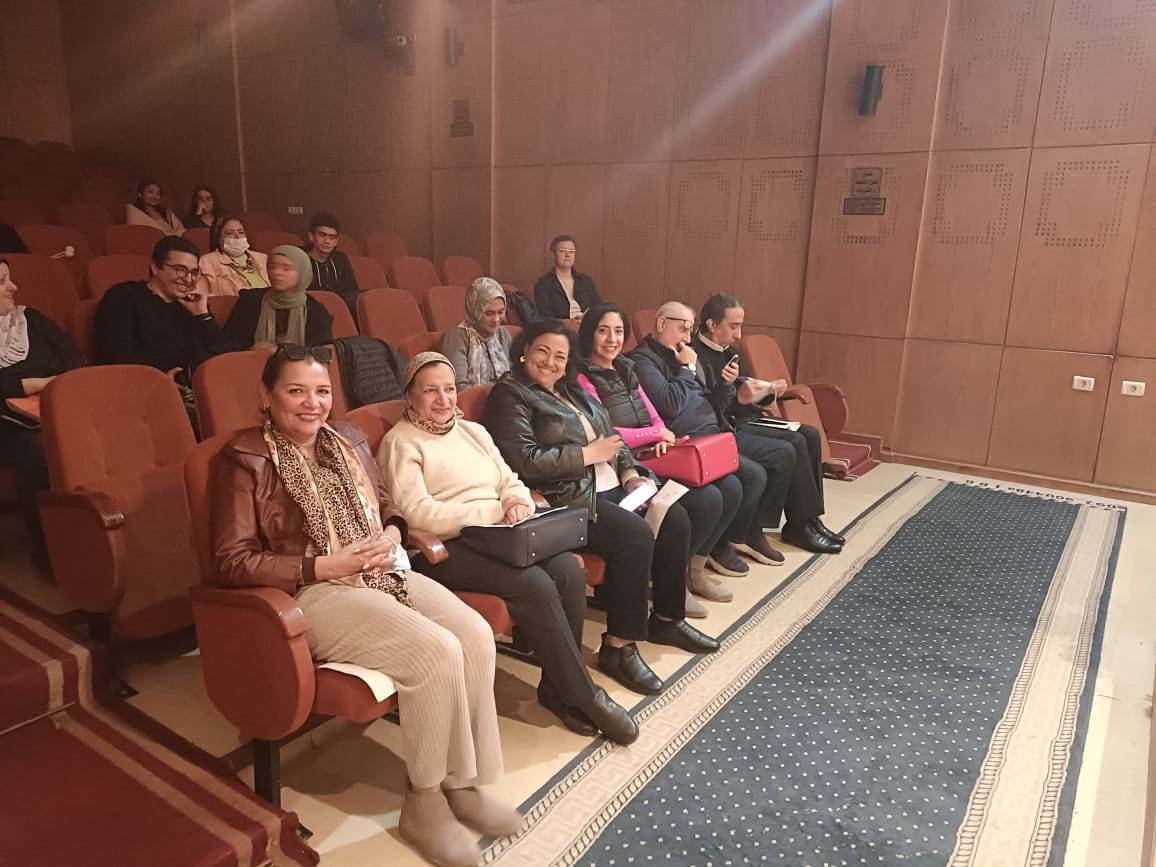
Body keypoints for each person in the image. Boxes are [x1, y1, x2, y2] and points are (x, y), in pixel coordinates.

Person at [211, 345, 521, 867]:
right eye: (296, 391)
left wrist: (392, 533)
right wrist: (320, 566)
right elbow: (232, 560)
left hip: (378, 569)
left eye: (321, 391)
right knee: (436, 651)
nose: (312, 404)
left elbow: (388, 506)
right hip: (309, 591)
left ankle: (461, 781)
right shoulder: (245, 458)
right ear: (266, 396)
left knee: (473, 634)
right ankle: (423, 801)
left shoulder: (348, 438)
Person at [380, 351, 638, 744]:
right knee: (534, 584)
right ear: (410, 396)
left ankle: (556, 687)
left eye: (449, 389)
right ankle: (585, 695)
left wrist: (516, 500)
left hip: (500, 533)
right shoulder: (401, 442)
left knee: (567, 569)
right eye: (430, 391)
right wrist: (492, 511)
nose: (443, 400)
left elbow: (509, 479)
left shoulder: (472, 432)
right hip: (446, 548)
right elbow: (418, 514)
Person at [483, 319, 719, 698]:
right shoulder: (509, 395)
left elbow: (611, 437)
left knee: (674, 517)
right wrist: (586, 455)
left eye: (560, 356)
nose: (550, 362)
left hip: (610, 486)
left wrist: (631, 475)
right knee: (633, 535)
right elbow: (522, 460)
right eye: (542, 351)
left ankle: (666, 619)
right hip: (565, 498)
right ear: (524, 350)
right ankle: (618, 647)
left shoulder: (571, 389)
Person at [577, 304, 747, 613]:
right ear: (589, 334)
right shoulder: (582, 378)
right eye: (603, 331)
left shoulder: (625, 367)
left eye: (618, 331)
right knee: (706, 500)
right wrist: (654, 434)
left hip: (650, 453)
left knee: (732, 487)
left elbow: (654, 414)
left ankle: (692, 570)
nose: (612, 339)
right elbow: (605, 431)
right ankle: (671, 580)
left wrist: (661, 434)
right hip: (623, 463)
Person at [630, 302, 803, 568]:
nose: (687, 337)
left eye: (690, 330)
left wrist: (725, 385)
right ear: (662, 323)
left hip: (713, 433)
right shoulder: (643, 360)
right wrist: (687, 369)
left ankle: (709, 552)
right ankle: (713, 549)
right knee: (749, 477)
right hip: (684, 442)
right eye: (682, 329)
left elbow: (713, 401)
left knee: (759, 471)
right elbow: (670, 404)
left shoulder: (684, 354)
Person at [693, 293, 843, 553]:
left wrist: (769, 391)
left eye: (740, 326)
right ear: (712, 324)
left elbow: (746, 391)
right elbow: (706, 408)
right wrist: (738, 397)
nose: (739, 334)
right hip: (727, 426)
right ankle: (787, 526)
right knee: (793, 444)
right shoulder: (696, 357)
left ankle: (808, 519)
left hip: (745, 418)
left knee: (810, 434)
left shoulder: (730, 351)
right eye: (734, 326)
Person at [0, 258, 84, 574]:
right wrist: (34, 382)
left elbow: (73, 359)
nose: (14, 287)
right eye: (2, 281)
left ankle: (105, 539)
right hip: (9, 425)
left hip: (52, 406)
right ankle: (51, 554)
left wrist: (41, 384)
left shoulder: (31, 319)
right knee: (40, 449)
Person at [95, 235, 227, 381]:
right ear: (155, 267)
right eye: (180, 269)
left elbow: (222, 356)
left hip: (196, 386)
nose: (188, 279)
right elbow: (117, 358)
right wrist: (159, 382)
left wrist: (202, 315)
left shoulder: (192, 304)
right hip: (143, 387)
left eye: (194, 273)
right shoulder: (124, 297)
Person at [223, 245, 333, 351]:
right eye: (272, 267)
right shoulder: (250, 301)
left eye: (286, 269)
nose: (277, 273)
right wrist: (252, 349)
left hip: (299, 364)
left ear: (302, 272)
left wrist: (281, 351)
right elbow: (228, 345)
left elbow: (321, 354)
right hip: (252, 362)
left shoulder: (315, 310)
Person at [439, 277, 512, 391]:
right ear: (475, 311)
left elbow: (514, 375)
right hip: (472, 399)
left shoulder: (503, 334)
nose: (496, 319)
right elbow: (459, 387)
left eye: (501, 312)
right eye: (489, 313)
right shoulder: (456, 337)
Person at [302, 212, 360, 317]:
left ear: (336, 242)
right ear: (311, 236)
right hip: (310, 312)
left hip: (341, 310)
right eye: (322, 235)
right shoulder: (300, 258)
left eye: (332, 237)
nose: (327, 241)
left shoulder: (341, 259)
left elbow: (352, 291)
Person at [533, 235, 602, 321]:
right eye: (562, 251)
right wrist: (569, 322)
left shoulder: (585, 280)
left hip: (587, 323)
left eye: (571, 251)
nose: (567, 255)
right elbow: (545, 317)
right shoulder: (543, 284)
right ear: (553, 254)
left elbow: (599, 307)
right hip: (561, 326)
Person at [197, 216, 270, 297]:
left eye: (241, 232)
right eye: (230, 233)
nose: (238, 237)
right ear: (218, 238)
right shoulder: (207, 261)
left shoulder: (263, 258)